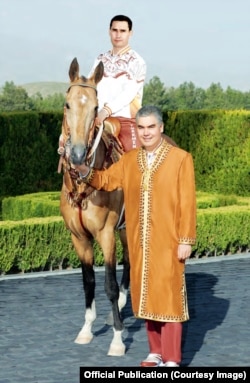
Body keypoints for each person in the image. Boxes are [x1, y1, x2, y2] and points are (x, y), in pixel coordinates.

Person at [74, 105, 197, 367]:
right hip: (139, 241)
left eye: (151, 127)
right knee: (147, 294)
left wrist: (186, 239)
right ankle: (155, 352)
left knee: (169, 297)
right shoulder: (130, 161)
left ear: (161, 128)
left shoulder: (180, 159)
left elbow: (188, 202)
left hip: (170, 240)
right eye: (141, 128)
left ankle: (172, 358)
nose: (146, 132)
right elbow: (107, 180)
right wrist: (86, 171)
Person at [88, 15, 147, 152]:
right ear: (109, 32)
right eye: (115, 30)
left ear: (130, 33)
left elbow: (128, 94)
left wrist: (105, 111)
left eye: (123, 31)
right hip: (96, 119)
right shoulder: (100, 59)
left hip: (124, 121)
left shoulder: (137, 61)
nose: (118, 35)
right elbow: (91, 87)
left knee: (132, 162)